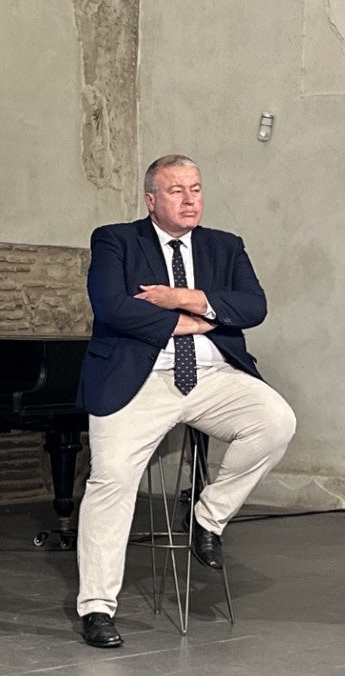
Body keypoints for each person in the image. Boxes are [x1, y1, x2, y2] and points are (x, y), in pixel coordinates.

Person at [73, 154, 298, 647]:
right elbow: (112, 307)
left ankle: (207, 517)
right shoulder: (115, 239)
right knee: (110, 478)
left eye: (195, 188)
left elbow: (254, 306)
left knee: (276, 420)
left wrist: (183, 299)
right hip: (139, 377)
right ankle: (97, 607)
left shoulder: (225, 245)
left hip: (212, 374)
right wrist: (195, 319)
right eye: (176, 190)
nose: (190, 198)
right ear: (151, 200)